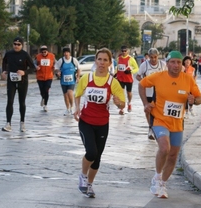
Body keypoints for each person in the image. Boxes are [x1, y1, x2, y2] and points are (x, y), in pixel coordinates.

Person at [138, 51, 201, 199]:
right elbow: (142, 85)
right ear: (167, 64)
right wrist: (146, 104)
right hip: (159, 119)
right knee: (164, 147)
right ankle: (157, 175)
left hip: (177, 123)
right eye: (172, 62)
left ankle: (162, 183)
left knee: (173, 155)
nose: (175, 65)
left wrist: (194, 100)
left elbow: (199, 98)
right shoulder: (158, 77)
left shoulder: (188, 79)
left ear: (182, 64)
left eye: (178, 62)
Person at [74, 48, 126, 198]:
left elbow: (122, 103)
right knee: (91, 152)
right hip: (86, 121)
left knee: (97, 157)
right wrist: (77, 108)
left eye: (105, 60)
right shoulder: (87, 78)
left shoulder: (113, 82)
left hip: (102, 123)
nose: (102, 63)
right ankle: (83, 176)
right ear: (95, 61)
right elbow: (77, 95)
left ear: (110, 63)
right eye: (99, 59)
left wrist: (119, 103)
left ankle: (89, 185)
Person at [1, 36, 36, 132]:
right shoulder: (9, 54)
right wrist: (4, 71)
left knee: (22, 102)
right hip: (11, 80)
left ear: (22, 45)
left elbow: (33, 68)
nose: (16, 46)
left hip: (22, 81)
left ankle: (22, 123)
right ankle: (8, 123)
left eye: (18, 44)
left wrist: (24, 72)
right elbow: (4, 62)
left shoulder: (25, 55)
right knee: (10, 101)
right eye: (15, 44)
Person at [136, 48, 167, 140]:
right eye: (151, 57)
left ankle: (158, 128)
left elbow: (167, 75)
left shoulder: (163, 65)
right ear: (148, 57)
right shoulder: (144, 65)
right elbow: (138, 75)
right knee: (148, 110)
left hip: (160, 92)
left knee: (159, 111)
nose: (153, 59)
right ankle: (151, 127)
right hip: (148, 92)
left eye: (155, 57)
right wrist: (144, 82)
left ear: (158, 56)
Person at [54, 47, 80, 116]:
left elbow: (79, 68)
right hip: (63, 81)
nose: (66, 54)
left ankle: (72, 107)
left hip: (72, 80)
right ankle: (67, 109)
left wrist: (78, 77)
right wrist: (58, 72)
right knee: (65, 95)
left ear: (69, 53)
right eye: (64, 52)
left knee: (70, 93)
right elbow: (56, 68)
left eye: (67, 52)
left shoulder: (73, 60)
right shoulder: (61, 60)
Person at [116, 45, 139, 114]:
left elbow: (136, 68)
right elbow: (117, 67)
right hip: (120, 78)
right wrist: (115, 73)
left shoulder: (131, 59)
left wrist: (130, 71)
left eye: (125, 51)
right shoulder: (118, 58)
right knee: (121, 93)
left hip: (128, 79)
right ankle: (122, 108)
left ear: (127, 51)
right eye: (122, 51)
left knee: (129, 93)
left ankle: (129, 103)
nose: (124, 52)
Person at [36, 45, 55, 112]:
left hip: (49, 76)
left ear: (47, 51)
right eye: (42, 52)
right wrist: (36, 67)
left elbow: (54, 64)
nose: (44, 53)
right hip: (40, 77)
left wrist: (55, 68)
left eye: (45, 51)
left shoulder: (52, 56)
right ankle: (43, 98)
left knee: (46, 90)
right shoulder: (38, 56)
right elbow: (34, 64)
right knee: (42, 91)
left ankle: (45, 105)